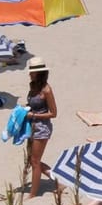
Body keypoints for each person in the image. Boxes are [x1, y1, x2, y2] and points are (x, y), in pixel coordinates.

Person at [23, 62, 57, 195]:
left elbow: (54, 113)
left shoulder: (46, 90)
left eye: (32, 72)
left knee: (35, 161)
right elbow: (32, 103)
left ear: (40, 73)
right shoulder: (33, 86)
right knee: (32, 159)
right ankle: (57, 179)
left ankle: (33, 193)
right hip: (31, 126)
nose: (30, 74)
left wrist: (34, 115)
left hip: (42, 128)